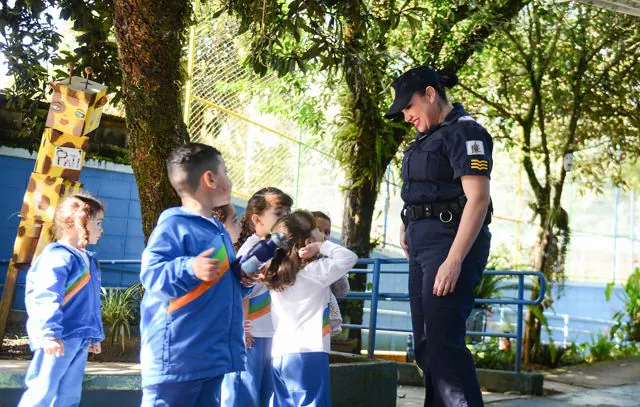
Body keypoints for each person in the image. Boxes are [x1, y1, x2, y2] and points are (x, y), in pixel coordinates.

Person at [385, 65, 492, 407]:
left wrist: (454, 260)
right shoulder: (424, 139)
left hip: (449, 243)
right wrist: (409, 221)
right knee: (427, 345)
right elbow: (427, 190)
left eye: (409, 107)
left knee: (444, 344)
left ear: (430, 94)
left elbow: (478, 199)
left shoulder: (465, 133)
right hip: (422, 245)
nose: (406, 116)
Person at [139, 143, 246, 406]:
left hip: (210, 357)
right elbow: (152, 275)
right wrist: (189, 267)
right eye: (226, 172)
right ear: (210, 178)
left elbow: (219, 287)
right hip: (178, 359)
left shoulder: (217, 231)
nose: (230, 180)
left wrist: (242, 282)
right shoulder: (174, 224)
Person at [262, 210, 358, 407]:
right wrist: (322, 247)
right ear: (307, 241)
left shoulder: (280, 275)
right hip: (309, 353)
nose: (323, 235)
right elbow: (349, 257)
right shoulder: (314, 272)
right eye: (317, 231)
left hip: (280, 354)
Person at [18, 194, 105, 407]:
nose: (102, 230)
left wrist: (93, 334)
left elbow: (90, 302)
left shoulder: (86, 258)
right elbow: (46, 296)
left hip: (79, 338)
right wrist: (49, 334)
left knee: (69, 395)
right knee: (42, 391)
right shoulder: (58, 256)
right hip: (58, 337)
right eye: (99, 223)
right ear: (80, 221)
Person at [222, 187, 293, 407]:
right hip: (251, 336)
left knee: (263, 396)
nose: (286, 219)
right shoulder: (252, 249)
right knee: (243, 395)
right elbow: (239, 289)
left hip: (269, 334)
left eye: (288, 213)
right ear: (257, 219)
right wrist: (243, 329)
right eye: (279, 213)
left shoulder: (275, 249)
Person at [312, 211, 350, 336]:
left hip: (325, 320)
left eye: (327, 232)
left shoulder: (328, 260)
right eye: (319, 230)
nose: (324, 236)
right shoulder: (295, 259)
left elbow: (342, 291)